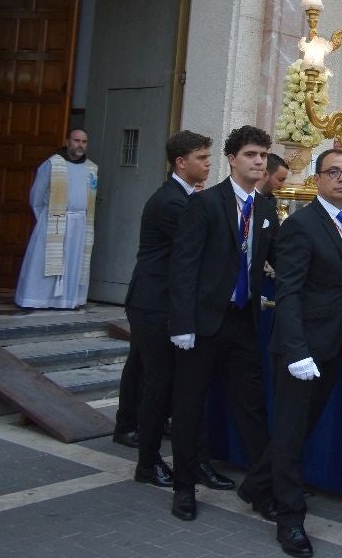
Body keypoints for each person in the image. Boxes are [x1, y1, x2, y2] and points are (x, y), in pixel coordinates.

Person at [242, 149, 342, 558]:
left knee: (299, 429)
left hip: (332, 345)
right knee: (291, 434)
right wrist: (296, 350)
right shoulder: (301, 226)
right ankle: (290, 520)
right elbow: (289, 291)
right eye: (333, 172)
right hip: (300, 350)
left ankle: (256, 485)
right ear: (317, 179)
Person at [166, 126, 280, 522]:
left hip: (243, 323)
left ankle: (263, 489)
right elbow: (183, 267)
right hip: (201, 324)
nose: (259, 162)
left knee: (252, 407)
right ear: (232, 159)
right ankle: (183, 488)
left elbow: (279, 261)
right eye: (251, 154)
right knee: (189, 406)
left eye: (263, 155)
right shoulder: (205, 204)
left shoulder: (265, 210)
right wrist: (182, 323)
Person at [125, 131, 219, 489]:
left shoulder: (187, 197)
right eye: (202, 157)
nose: (208, 163)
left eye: (209, 157)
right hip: (153, 302)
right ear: (181, 163)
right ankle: (147, 463)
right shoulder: (171, 202)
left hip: (168, 303)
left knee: (171, 386)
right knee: (158, 386)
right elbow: (202, 243)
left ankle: (187, 460)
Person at [15, 129, 98, 309]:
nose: (80, 145)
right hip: (54, 221)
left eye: (84, 142)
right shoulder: (52, 164)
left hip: (79, 224)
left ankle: (68, 300)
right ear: (67, 141)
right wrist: (47, 219)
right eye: (76, 141)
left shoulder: (91, 168)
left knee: (73, 261)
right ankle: (36, 299)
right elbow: (36, 197)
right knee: (44, 261)